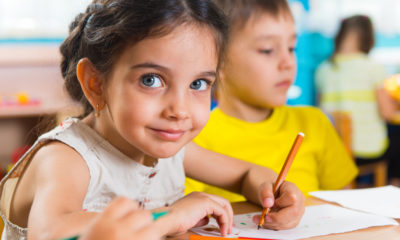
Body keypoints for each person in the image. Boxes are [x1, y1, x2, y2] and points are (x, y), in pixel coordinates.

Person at [0, 0, 305, 239]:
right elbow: (51, 233)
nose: (179, 110)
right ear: (96, 83)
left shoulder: (168, 150)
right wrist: (167, 217)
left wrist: (274, 193)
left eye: (198, 84)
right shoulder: (68, 158)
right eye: (151, 80)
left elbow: (246, 174)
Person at [185, 0, 358, 202]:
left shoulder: (314, 123)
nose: (287, 63)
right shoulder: (194, 136)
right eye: (267, 50)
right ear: (217, 61)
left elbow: (347, 209)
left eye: (291, 48)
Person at [315, 15, 394, 167]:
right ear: (368, 37)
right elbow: (387, 113)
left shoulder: (323, 69)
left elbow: (322, 112)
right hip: (367, 151)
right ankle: (393, 185)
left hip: (335, 150)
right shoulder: (373, 67)